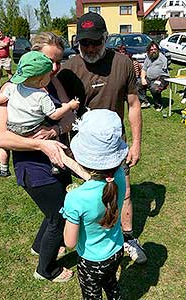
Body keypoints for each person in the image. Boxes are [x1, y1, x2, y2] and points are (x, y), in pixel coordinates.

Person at [57, 12, 147, 264]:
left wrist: (136, 144)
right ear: (78, 42)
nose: (91, 47)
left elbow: (133, 105)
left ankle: (128, 238)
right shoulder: (69, 69)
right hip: (81, 148)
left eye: (96, 41)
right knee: (82, 194)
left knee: (124, 192)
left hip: (114, 146)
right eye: (85, 43)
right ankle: (76, 237)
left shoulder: (123, 63)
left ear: (106, 38)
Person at [0, 32, 77, 282]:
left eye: (59, 61)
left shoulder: (55, 82)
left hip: (58, 157)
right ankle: (46, 270)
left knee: (57, 208)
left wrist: (56, 130)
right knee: (60, 214)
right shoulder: (12, 88)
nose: (54, 67)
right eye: (49, 60)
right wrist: (40, 145)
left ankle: (40, 246)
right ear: (33, 55)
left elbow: (69, 117)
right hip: (33, 163)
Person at [60, 109, 128, 299]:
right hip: (117, 250)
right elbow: (95, 178)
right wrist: (65, 159)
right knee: (111, 284)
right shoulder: (119, 177)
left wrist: (68, 214)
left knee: (92, 296)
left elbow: (70, 242)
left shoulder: (75, 199)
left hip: (92, 261)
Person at [0, 50, 79, 176]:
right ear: (42, 81)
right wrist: (70, 105)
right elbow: (54, 115)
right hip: (32, 128)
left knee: (5, 148)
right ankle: (55, 164)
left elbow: (0, 99)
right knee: (52, 132)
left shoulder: (13, 87)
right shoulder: (41, 96)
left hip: (12, 128)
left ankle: (3, 167)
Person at [138, 41, 169, 112]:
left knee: (154, 87)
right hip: (149, 78)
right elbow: (144, 70)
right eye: (151, 50)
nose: (153, 51)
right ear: (148, 51)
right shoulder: (148, 58)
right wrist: (143, 78)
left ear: (158, 50)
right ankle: (144, 102)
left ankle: (158, 104)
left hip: (162, 77)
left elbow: (165, 62)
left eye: (155, 49)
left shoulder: (161, 56)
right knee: (138, 83)